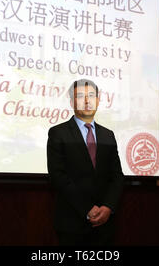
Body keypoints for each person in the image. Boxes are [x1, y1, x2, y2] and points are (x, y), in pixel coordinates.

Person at [47, 79, 124, 246]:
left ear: (98, 99)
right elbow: (58, 176)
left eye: (91, 96)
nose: (87, 101)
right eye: (80, 96)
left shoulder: (108, 135)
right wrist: (88, 209)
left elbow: (117, 176)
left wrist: (108, 207)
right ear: (71, 101)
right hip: (72, 224)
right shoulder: (58, 133)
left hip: (105, 225)